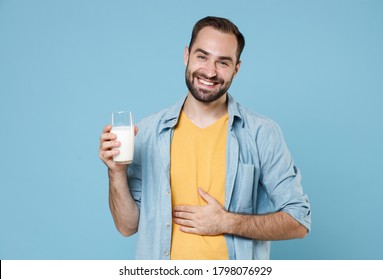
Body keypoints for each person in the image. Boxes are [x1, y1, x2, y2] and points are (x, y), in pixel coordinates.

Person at [99, 16, 311, 260]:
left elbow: (299, 221)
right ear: (186, 56)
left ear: (236, 68)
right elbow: (127, 226)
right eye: (202, 57)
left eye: (223, 62)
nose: (210, 72)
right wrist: (115, 173)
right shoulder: (147, 133)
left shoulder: (262, 133)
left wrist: (227, 222)